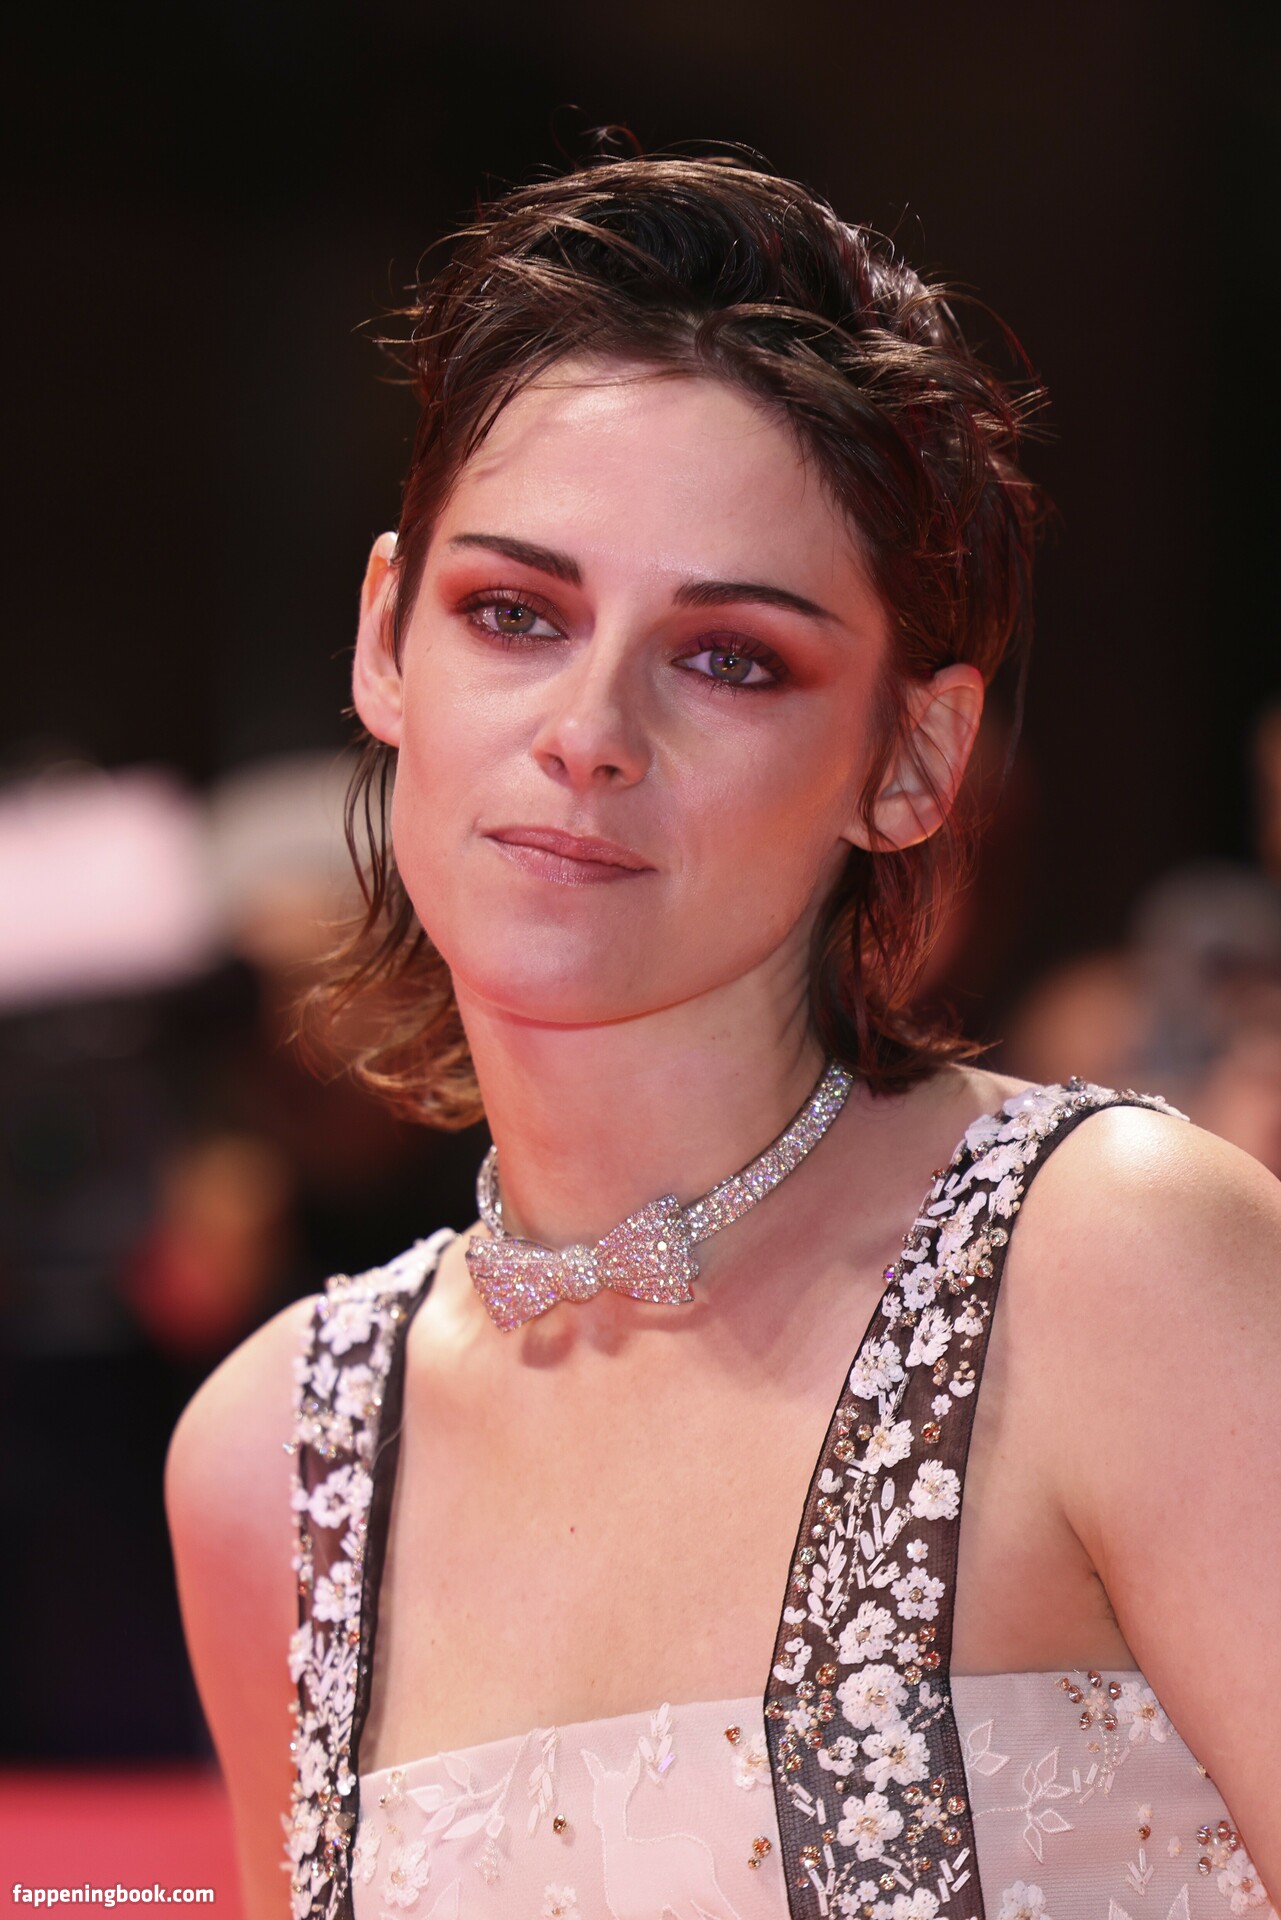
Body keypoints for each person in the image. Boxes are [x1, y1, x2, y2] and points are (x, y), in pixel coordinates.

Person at [165, 154, 1281, 1920]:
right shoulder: (272, 1458)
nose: (588, 729)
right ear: (385, 640)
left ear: (909, 758)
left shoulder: (1114, 1265)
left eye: (731, 658)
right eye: (513, 614)